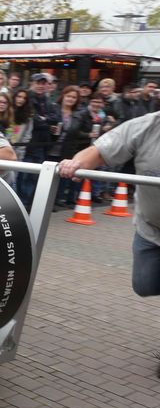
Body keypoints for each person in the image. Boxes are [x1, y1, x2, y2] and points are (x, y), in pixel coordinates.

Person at [58, 110, 160, 297]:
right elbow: (99, 151)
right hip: (150, 228)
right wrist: (76, 163)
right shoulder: (146, 125)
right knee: (144, 285)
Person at [16, 73, 59, 209]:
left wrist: (43, 119)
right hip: (27, 144)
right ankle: (21, 203)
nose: (41, 86)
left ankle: (27, 203)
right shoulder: (27, 98)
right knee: (23, 175)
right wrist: (46, 121)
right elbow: (34, 120)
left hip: (42, 144)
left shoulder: (48, 100)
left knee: (35, 176)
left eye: (43, 83)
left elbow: (55, 118)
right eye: (38, 83)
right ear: (32, 83)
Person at [48, 85, 81, 207]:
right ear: (63, 96)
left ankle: (56, 200)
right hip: (50, 148)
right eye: (68, 96)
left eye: (74, 97)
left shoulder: (77, 114)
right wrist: (50, 128)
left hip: (66, 150)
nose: (70, 99)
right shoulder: (53, 108)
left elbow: (78, 132)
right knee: (48, 177)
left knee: (62, 176)